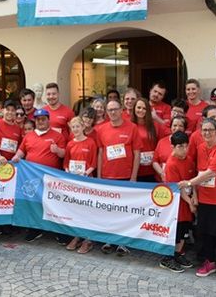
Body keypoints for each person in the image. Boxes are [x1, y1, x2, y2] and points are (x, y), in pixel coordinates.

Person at [178, 118, 216, 282]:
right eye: (204, 130)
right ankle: (210, 262)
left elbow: (211, 172)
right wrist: (195, 194)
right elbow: (200, 172)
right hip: (206, 198)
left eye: (210, 130)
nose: (207, 133)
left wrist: (189, 183)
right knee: (206, 233)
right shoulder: (200, 147)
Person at [12, 108, 66, 242]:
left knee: (53, 205)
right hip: (32, 178)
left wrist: (57, 150)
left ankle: (56, 230)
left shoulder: (57, 136)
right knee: (34, 204)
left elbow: (64, 154)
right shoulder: (29, 136)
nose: (40, 122)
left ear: (48, 120)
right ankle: (35, 229)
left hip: (51, 178)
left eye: (43, 119)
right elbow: (21, 151)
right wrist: (16, 157)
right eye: (38, 119)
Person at [96, 99, 141, 256]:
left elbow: (137, 153)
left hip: (126, 177)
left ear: (121, 109)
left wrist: (134, 177)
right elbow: (100, 153)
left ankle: (123, 242)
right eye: (109, 110)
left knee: (124, 211)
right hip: (108, 176)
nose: (112, 112)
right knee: (109, 210)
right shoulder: (101, 129)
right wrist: (99, 176)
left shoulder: (132, 127)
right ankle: (109, 239)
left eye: (115, 109)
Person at [159, 131, 196, 273]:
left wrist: (194, 198)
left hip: (187, 201)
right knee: (177, 232)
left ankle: (178, 253)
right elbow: (178, 188)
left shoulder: (189, 159)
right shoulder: (171, 164)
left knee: (185, 231)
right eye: (180, 146)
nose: (184, 149)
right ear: (173, 146)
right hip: (177, 205)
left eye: (186, 146)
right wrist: (190, 202)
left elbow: (193, 181)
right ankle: (167, 258)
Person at [63, 117, 97, 254]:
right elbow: (66, 163)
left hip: (87, 181)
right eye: (73, 127)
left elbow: (94, 163)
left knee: (87, 210)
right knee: (76, 210)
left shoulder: (91, 142)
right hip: (74, 182)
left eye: (77, 126)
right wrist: (68, 173)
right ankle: (77, 236)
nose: (75, 129)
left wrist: (85, 174)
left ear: (83, 127)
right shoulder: (70, 144)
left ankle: (88, 239)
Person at [132, 98, 160, 182]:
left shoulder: (155, 125)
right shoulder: (130, 126)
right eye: (139, 107)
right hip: (135, 170)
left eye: (144, 108)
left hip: (152, 170)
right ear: (134, 109)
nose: (141, 110)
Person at [152, 116, 187, 181]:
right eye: (175, 125)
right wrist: (162, 174)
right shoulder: (162, 142)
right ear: (171, 127)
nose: (177, 128)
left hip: (182, 181)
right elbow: (155, 161)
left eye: (181, 126)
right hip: (162, 181)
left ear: (185, 128)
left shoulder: (188, 143)